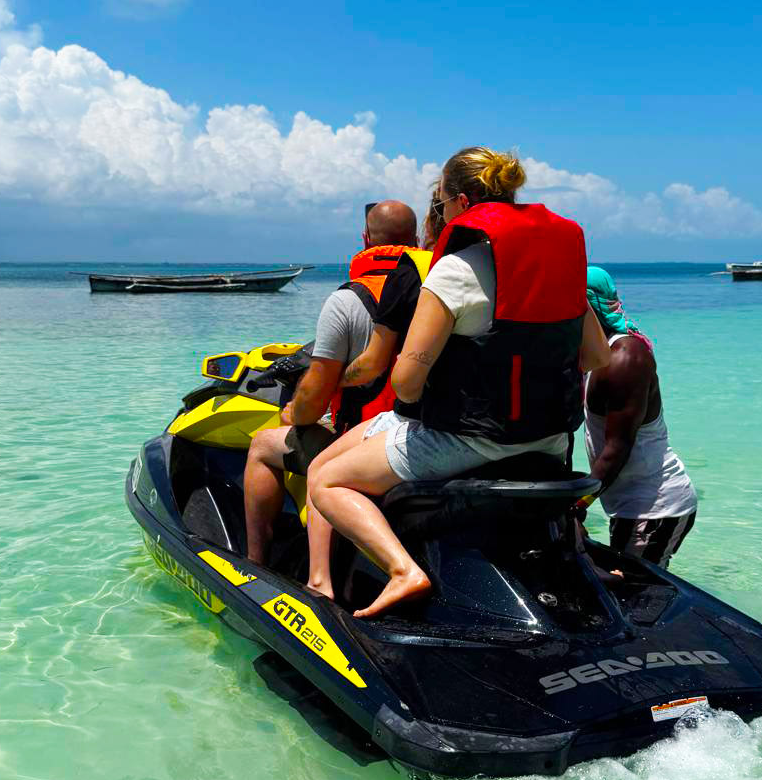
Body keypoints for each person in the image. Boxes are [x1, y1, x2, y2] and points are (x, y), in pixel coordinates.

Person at [309, 147, 610, 617]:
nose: (442, 212)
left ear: (462, 204)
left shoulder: (455, 270)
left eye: (442, 203)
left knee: (326, 479)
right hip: (549, 443)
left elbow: (407, 382)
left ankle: (401, 571)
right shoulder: (556, 270)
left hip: (469, 441)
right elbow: (596, 356)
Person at [242, 198, 421, 566]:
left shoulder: (346, 301)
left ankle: (255, 563)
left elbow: (316, 397)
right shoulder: (434, 291)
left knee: (262, 445)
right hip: (415, 436)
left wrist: (296, 412)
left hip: (362, 440)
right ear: (416, 240)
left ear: (365, 238)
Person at [582, 266, 698, 567]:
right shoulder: (596, 353)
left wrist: (578, 503)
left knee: (635, 601)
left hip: (654, 507)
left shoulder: (624, 358)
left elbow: (617, 447)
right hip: (630, 505)